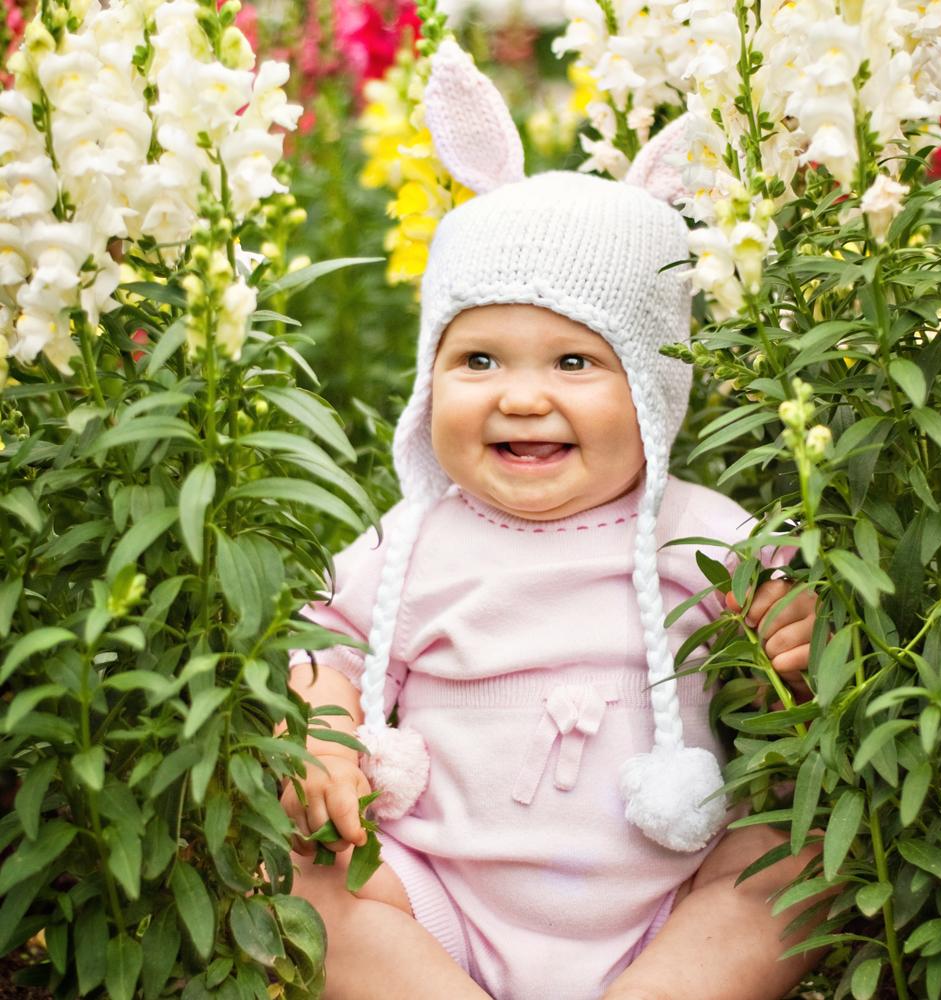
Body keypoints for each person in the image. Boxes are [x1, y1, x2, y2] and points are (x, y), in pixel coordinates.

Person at [282, 41, 824, 1000]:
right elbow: (321, 641)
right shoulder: (409, 540)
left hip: (667, 897)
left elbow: (792, 605)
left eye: (574, 363)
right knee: (294, 877)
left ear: (654, 395)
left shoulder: (698, 533)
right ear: (427, 381)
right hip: (435, 895)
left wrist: (794, 626)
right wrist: (324, 728)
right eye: (478, 360)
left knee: (798, 864)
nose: (520, 398)